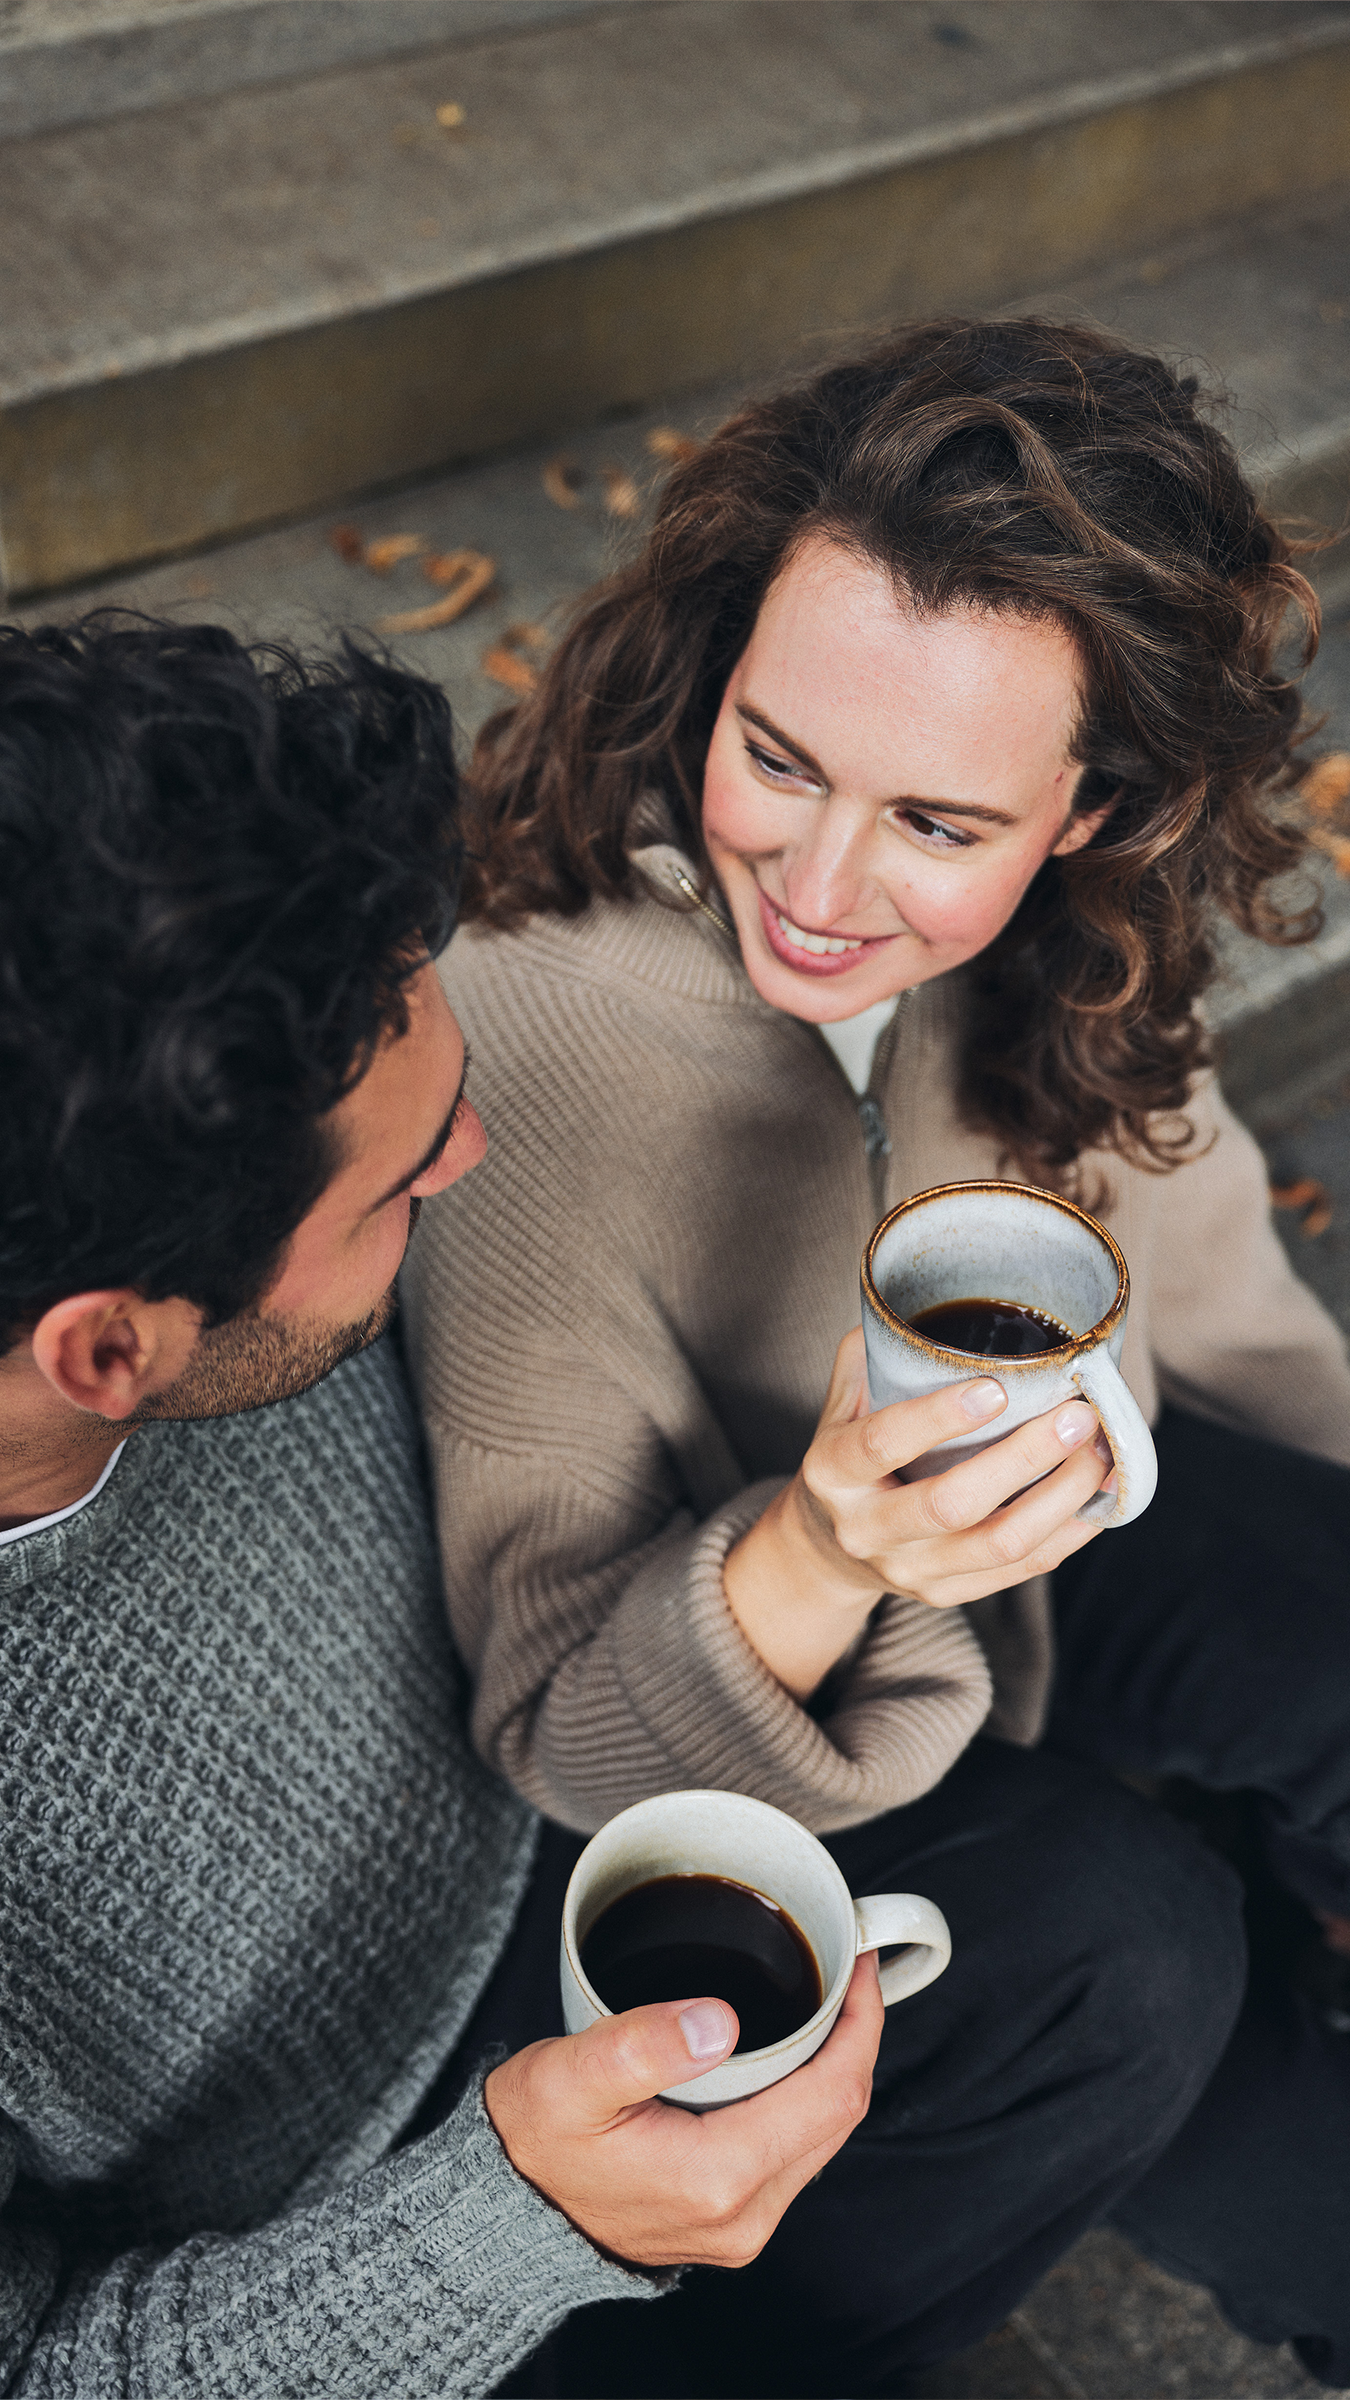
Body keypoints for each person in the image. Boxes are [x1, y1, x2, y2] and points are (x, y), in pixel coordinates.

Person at [400, 318, 1350, 2388]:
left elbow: (1206, 1278)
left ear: (1099, 808)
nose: (822, 890)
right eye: (776, 757)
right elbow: (569, 1740)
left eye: (936, 822)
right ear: (713, 663)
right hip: (735, 1708)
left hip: (1027, 1578)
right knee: (1209, 2047)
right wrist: (830, 1551)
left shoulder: (1076, 931)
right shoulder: (528, 1036)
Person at [0, 616, 890, 2399]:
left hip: (549, 1819)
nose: (471, 1151)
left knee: (1123, 1954)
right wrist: (512, 2226)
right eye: (399, 1184)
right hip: (319, 2242)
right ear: (110, 1348)